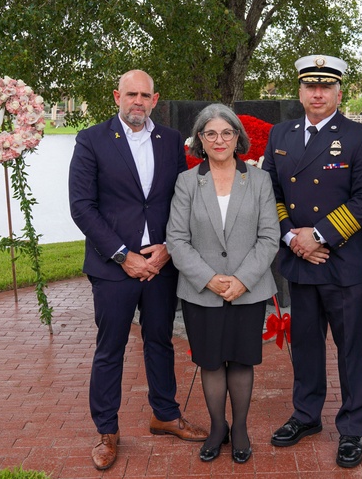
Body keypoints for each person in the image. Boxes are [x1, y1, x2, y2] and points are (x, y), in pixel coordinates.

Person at [68, 70, 208, 471]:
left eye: (145, 95)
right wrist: (121, 254)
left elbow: (178, 199)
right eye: (131, 94)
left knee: (160, 340)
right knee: (110, 348)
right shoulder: (91, 139)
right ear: (117, 96)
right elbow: (82, 206)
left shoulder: (168, 141)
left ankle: (165, 414)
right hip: (114, 265)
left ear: (155, 99)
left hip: (161, 263)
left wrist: (167, 248)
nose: (138, 101)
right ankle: (107, 431)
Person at [262, 55, 362, 469]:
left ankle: (351, 430)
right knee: (307, 345)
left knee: (350, 348)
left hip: (342, 261)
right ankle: (306, 415)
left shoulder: (361, 137)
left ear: (338, 92)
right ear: (299, 91)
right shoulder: (280, 134)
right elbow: (271, 193)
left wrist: (317, 236)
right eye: (310, 86)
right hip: (300, 260)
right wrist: (291, 238)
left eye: (326, 86)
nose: (317, 93)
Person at [166, 103, 280, 464]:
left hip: (249, 290)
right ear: (200, 138)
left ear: (237, 137)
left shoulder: (259, 179)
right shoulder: (187, 181)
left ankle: (241, 428)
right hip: (203, 290)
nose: (219, 140)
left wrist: (243, 280)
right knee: (211, 363)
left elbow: (269, 237)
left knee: (242, 361)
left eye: (227, 132)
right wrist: (210, 279)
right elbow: (177, 239)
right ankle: (218, 428)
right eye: (211, 133)